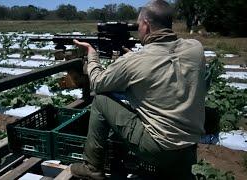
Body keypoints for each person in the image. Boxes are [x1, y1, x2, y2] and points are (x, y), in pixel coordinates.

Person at [71, 0, 206, 179]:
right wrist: (134, 59)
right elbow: (164, 64)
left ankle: (92, 168)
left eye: (139, 24)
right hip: (189, 148)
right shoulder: (196, 48)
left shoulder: (135, 61)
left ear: (146, 26)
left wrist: (93, 57)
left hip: (158, 148)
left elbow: (97, 83)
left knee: (101, 101)